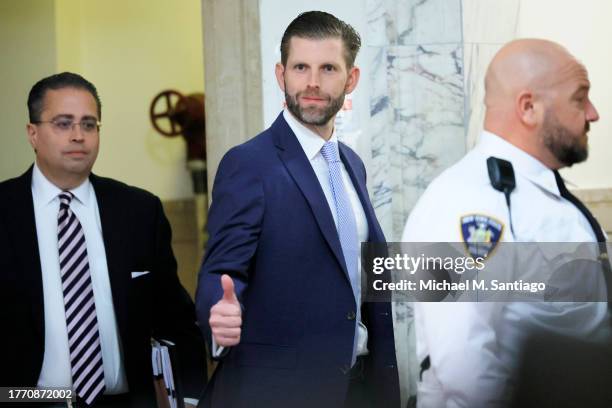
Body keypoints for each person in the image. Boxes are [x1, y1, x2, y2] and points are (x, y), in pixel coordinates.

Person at [196, 11, 400, 408]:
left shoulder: (351, 164)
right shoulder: (249, 164)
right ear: (281, 75)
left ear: (351, 79)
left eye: (327, 68)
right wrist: (216, 312)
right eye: (300, 67)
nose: (312, 83)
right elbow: (220, 272)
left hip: (360, 387)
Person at [401, 39, 611, 407]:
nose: (593, 114)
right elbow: (465, 365)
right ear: (528, 107)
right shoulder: (466, 202)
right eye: (580, 98)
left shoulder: (536, 189)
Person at [0, 72, 206, 407]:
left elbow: (178, 322)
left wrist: (194, 399)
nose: (78, 136)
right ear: (32, 133)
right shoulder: (5, 210)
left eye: (89, 124)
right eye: (63, 124)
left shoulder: (139, 212)